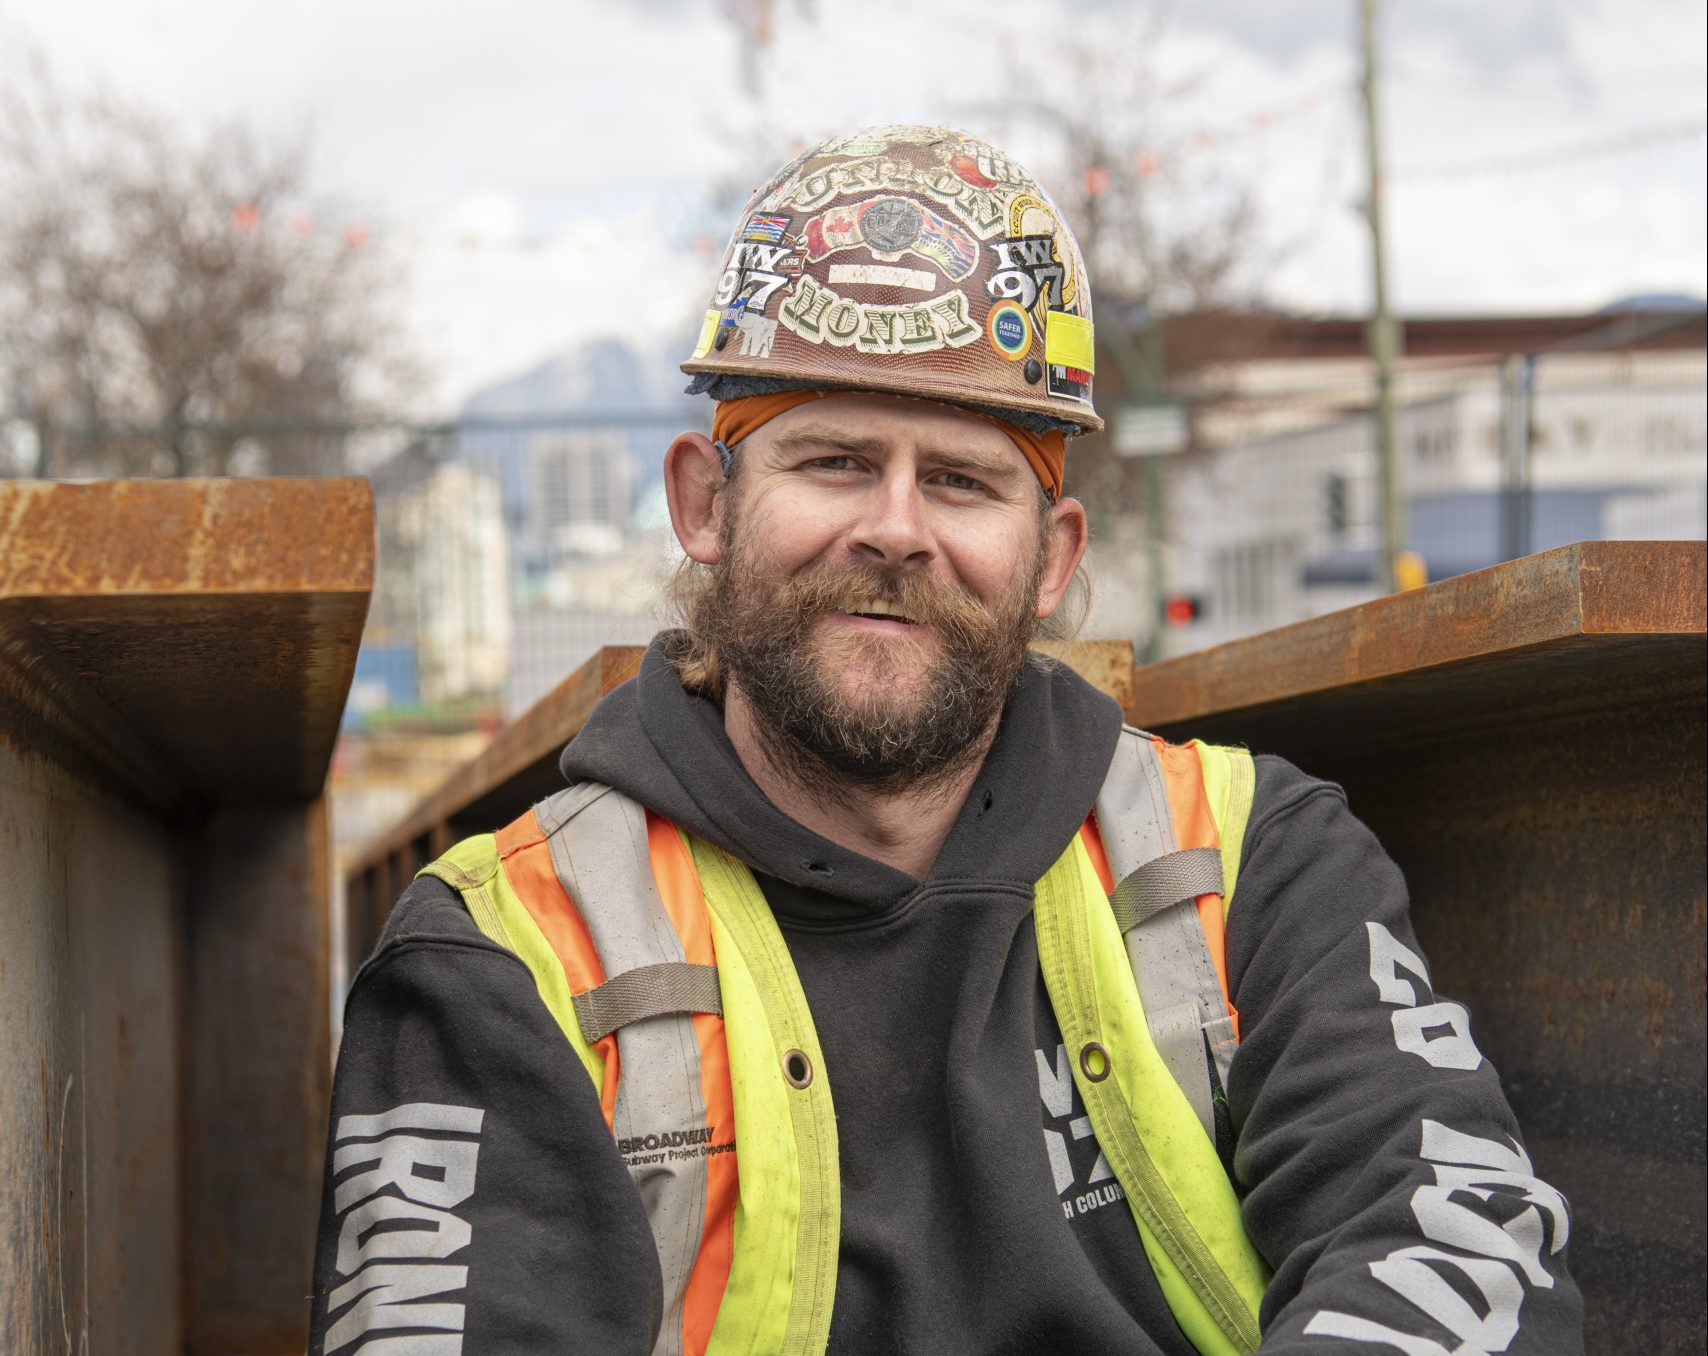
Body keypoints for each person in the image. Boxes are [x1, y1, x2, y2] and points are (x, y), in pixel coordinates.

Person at [309, 126, 1582, 1355]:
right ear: (706, 504)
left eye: (963, 481)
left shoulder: (1254, 861)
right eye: (835, 460)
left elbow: (1455, 1253)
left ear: (1052, 558)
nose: (896, 529)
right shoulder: (504, 959)